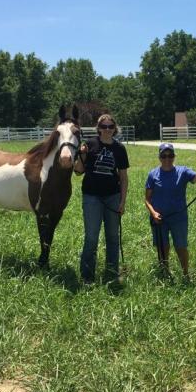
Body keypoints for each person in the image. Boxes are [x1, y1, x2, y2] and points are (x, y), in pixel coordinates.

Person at [74, 114, 129, 284]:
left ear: (115, 128)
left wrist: (122, 201)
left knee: (112, 237)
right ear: (98, 128)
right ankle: (87, 276)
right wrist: (81, 155)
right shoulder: (90, 144)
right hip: (92, 197)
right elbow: (77, 171)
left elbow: (124, 177)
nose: (107, 130)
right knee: (91, 237)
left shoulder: (119, 149)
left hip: (113, 197)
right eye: (103, 126)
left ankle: (111, 273)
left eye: (110, 126)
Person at [144, 143, 196, 278]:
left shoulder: (183, 172)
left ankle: (186, 274)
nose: (167, 159)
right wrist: (153, 213)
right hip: (159, 219)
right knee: (163, 247)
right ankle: (165, 272)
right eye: (164, 155)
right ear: (159, 157)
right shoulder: (153, 174)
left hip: (178, 218)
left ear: (174, 156)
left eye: (170, 155)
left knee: (181, 246)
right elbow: (147, 199)